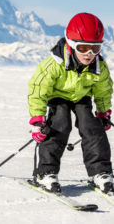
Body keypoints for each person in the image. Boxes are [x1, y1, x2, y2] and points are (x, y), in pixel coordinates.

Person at [28, 12, 114, 194]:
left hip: (81, 97)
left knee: (91, 126)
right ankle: (45, 173)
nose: (89, 54)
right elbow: (38, 88)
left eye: (95, 48)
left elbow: (103, 90)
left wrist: (103, 112)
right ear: (71, 44)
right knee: (60, 123)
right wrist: (37, 119)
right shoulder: (54, 64)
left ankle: (101, 172)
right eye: (83, 48)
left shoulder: (99, 66)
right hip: (57, 97)